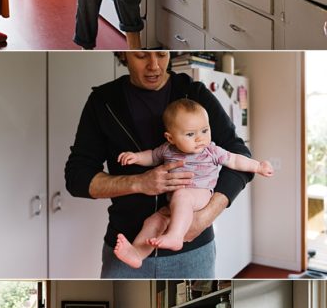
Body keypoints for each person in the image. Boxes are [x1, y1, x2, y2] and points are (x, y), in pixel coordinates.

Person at [65, 51, 255, 278]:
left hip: (193, 250)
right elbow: (77, 178)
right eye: (141, 56)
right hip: (127, 247)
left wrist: (205, 217)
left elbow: (239, 155)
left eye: (161, 55)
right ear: (124, 55)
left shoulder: (194, 93)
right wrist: (139, 183)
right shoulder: (103, 102)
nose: (154, 66)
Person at [113, 99, 274, 267]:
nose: (200, 139)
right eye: (190, 134)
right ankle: (137, 254)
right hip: (176, 204)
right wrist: (136, 157)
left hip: (201, 194)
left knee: (182, 196)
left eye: (205, 130)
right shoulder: (167, 149)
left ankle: (175, 237)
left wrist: (258, 166)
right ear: (171, 137)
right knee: (154, 221)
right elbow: (152, 156)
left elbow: (234, 160)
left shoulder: (211, 150)